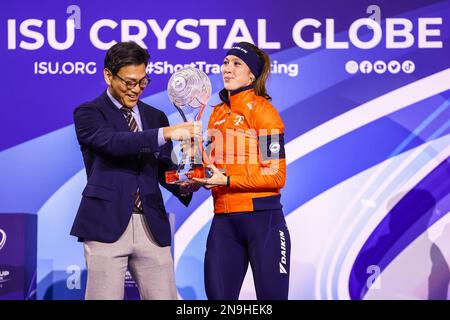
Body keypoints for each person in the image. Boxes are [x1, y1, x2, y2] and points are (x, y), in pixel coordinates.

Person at [71, 41, 200, 300]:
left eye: (143, 81)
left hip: (151, 224)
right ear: (108, 75)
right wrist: (167, 132)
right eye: (129, 82)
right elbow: (115, 143)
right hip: (106, 223)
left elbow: (162, 167)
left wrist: (185, 182)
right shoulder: (88, 113)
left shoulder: (155, 116)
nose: (136, 89)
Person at [193, 42, 291, 300]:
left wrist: (226, 179)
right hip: (224, 221)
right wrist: (197, 176)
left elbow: (276, 175)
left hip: (263, 221)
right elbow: (214, 168)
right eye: (226, 62)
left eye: (237, 63)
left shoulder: (264, 112)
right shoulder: (216, 114)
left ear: (252, 75)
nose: (228, 69)